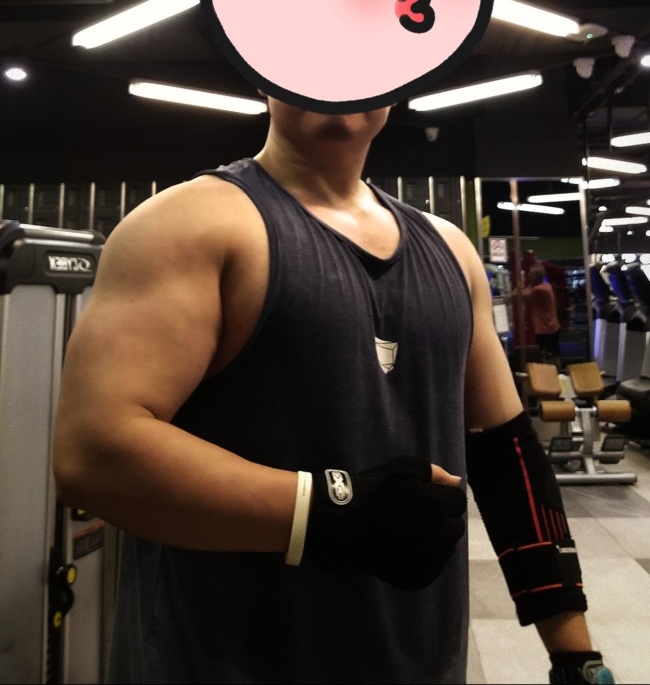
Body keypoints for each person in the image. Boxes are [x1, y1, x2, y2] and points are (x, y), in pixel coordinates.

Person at [52, 99, 612, 685]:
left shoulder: (451, 250)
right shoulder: (188, 223)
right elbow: (93, 455)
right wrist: (335, 512)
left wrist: (575, 657)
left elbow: (507, 459)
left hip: (421, 666)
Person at [524, 263, 561, 364]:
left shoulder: (539, 290)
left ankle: (553, 371)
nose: (528, 277)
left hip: (546, 329)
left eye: (530, 275)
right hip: (550, 327)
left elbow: (519, 295)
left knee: (549, 354)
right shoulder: (546, 285)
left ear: (535, 277)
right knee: (553, 352)